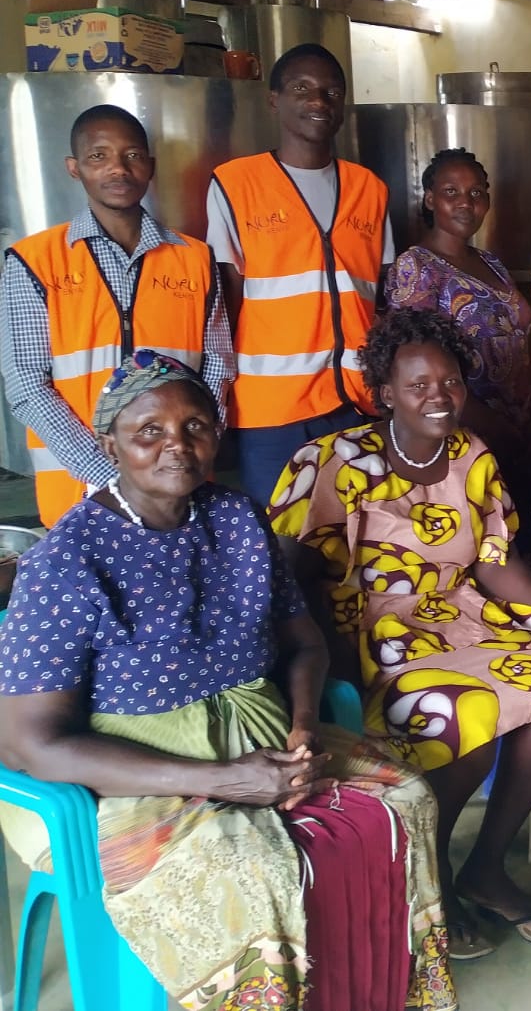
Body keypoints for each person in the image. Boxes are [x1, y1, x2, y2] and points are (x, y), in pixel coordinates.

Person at [0, 352, 454, 1011]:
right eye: (148, 431)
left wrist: (302, 726)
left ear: (218, 431)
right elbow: (28, 744)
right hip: (135, 769)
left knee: (406, 799)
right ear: (109, 443)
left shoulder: (238, 517)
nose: (175, 447)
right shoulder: (66, 561)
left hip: (263, 729)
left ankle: (373, 994)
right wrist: (220, 780)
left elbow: (303, 643)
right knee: (248, 870)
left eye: (195, 427)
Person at [270, 307, 531, 956]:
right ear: (385, 391)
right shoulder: (331, 461)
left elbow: (495, 562)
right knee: (460, 708)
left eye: (449, 384)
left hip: (462, 614)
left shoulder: (472, 456)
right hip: (373, 629)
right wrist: (315, 652)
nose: (438, 398)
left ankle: (485, 863)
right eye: (419, 386)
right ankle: (431, 872)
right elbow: (285, 575)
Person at [2, 104, 233, 527]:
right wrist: (109, 475)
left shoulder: (194, 258)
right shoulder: (34, 262)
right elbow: (27, 385)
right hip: (79, 489)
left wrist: (198, 445)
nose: (118, 169)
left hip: (179, 482)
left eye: (131, 155)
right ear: (74, 168)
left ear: (150, 166)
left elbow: (217, 366)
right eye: (98, 156)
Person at [208, 42, 392, 505]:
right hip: (272, 409)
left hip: (356, 399)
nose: (318, 101)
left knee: (359, 535)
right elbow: (225, 300)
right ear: (274, 100)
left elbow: (384, 298)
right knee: (279, 543)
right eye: (302, 89)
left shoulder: (369, 189)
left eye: (332, 91)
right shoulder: (236, 184)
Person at [389, 148, 531, 501]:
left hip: (520, 434)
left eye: (476, 193)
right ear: (430, 199)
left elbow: (522, 344)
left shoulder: (492, 263)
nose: (465, 203)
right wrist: (490, 424)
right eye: (451, 192)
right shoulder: (417, 268)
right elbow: (415, 368)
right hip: (463, 436)